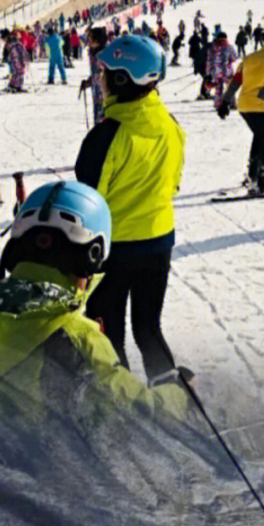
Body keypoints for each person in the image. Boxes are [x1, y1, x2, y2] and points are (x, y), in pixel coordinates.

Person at [0, 180, 186, 420]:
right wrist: (180, 395)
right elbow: (140, 411)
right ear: (90, 260)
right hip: (32, 456)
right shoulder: (79, 339)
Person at [74, 33, 184, 381]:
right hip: (159, 242)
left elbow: (87, 204)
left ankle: (118, 406)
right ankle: (172, 399)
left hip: (114, 251)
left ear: (122, 79)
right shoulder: (171, 125)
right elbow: (174, 184)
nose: (100, 79)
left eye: (104, 72)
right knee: (148, 328)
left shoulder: (106, 135)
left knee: (107, 333)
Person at [217, 28, 264, 194]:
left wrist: (225, 101)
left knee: (260, 137)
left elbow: (236, 80)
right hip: (259, 106)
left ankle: (253, 175)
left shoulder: (250, 58)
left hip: (244, 105)